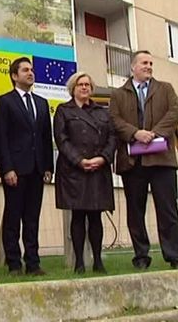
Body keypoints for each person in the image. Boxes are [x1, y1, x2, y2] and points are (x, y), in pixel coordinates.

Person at [109, 50, 178, 270]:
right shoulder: (118, 94)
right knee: (135, 211)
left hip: (161, 160)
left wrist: (153, 133)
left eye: (151, 63)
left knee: (167, 210)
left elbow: (174, 113)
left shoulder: (166, 89)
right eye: (144, 63)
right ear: (133, 67)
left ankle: (175, 257)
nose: (149, 66)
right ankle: (141, 256)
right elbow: (114, 119)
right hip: (133, 163)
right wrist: (135, 133)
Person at [0, 57, 53, 276]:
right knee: (13, 217)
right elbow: (1, 137)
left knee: (32, 218)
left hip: (37, 169)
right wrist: (7, 168)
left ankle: (33, 262)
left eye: (32, 70)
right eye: (25, 70)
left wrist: (48, 166)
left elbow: (45, 137)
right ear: (14, 76)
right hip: (16, 170)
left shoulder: (41, 103)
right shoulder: (4, 101)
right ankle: (14, 263)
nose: (30, 73)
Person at [53, 72, 116, 274]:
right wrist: (79, 161)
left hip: (98, 170)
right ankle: (79, 262)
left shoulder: (102, 112)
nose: (84, 88)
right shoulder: (63, 110)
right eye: (80, 84)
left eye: (88, 84)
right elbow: (61, 139)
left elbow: (112, 138)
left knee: (96, 216)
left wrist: (103, 158)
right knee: (78, 216)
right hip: (74, 171)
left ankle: (98, 260)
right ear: (73, 88)